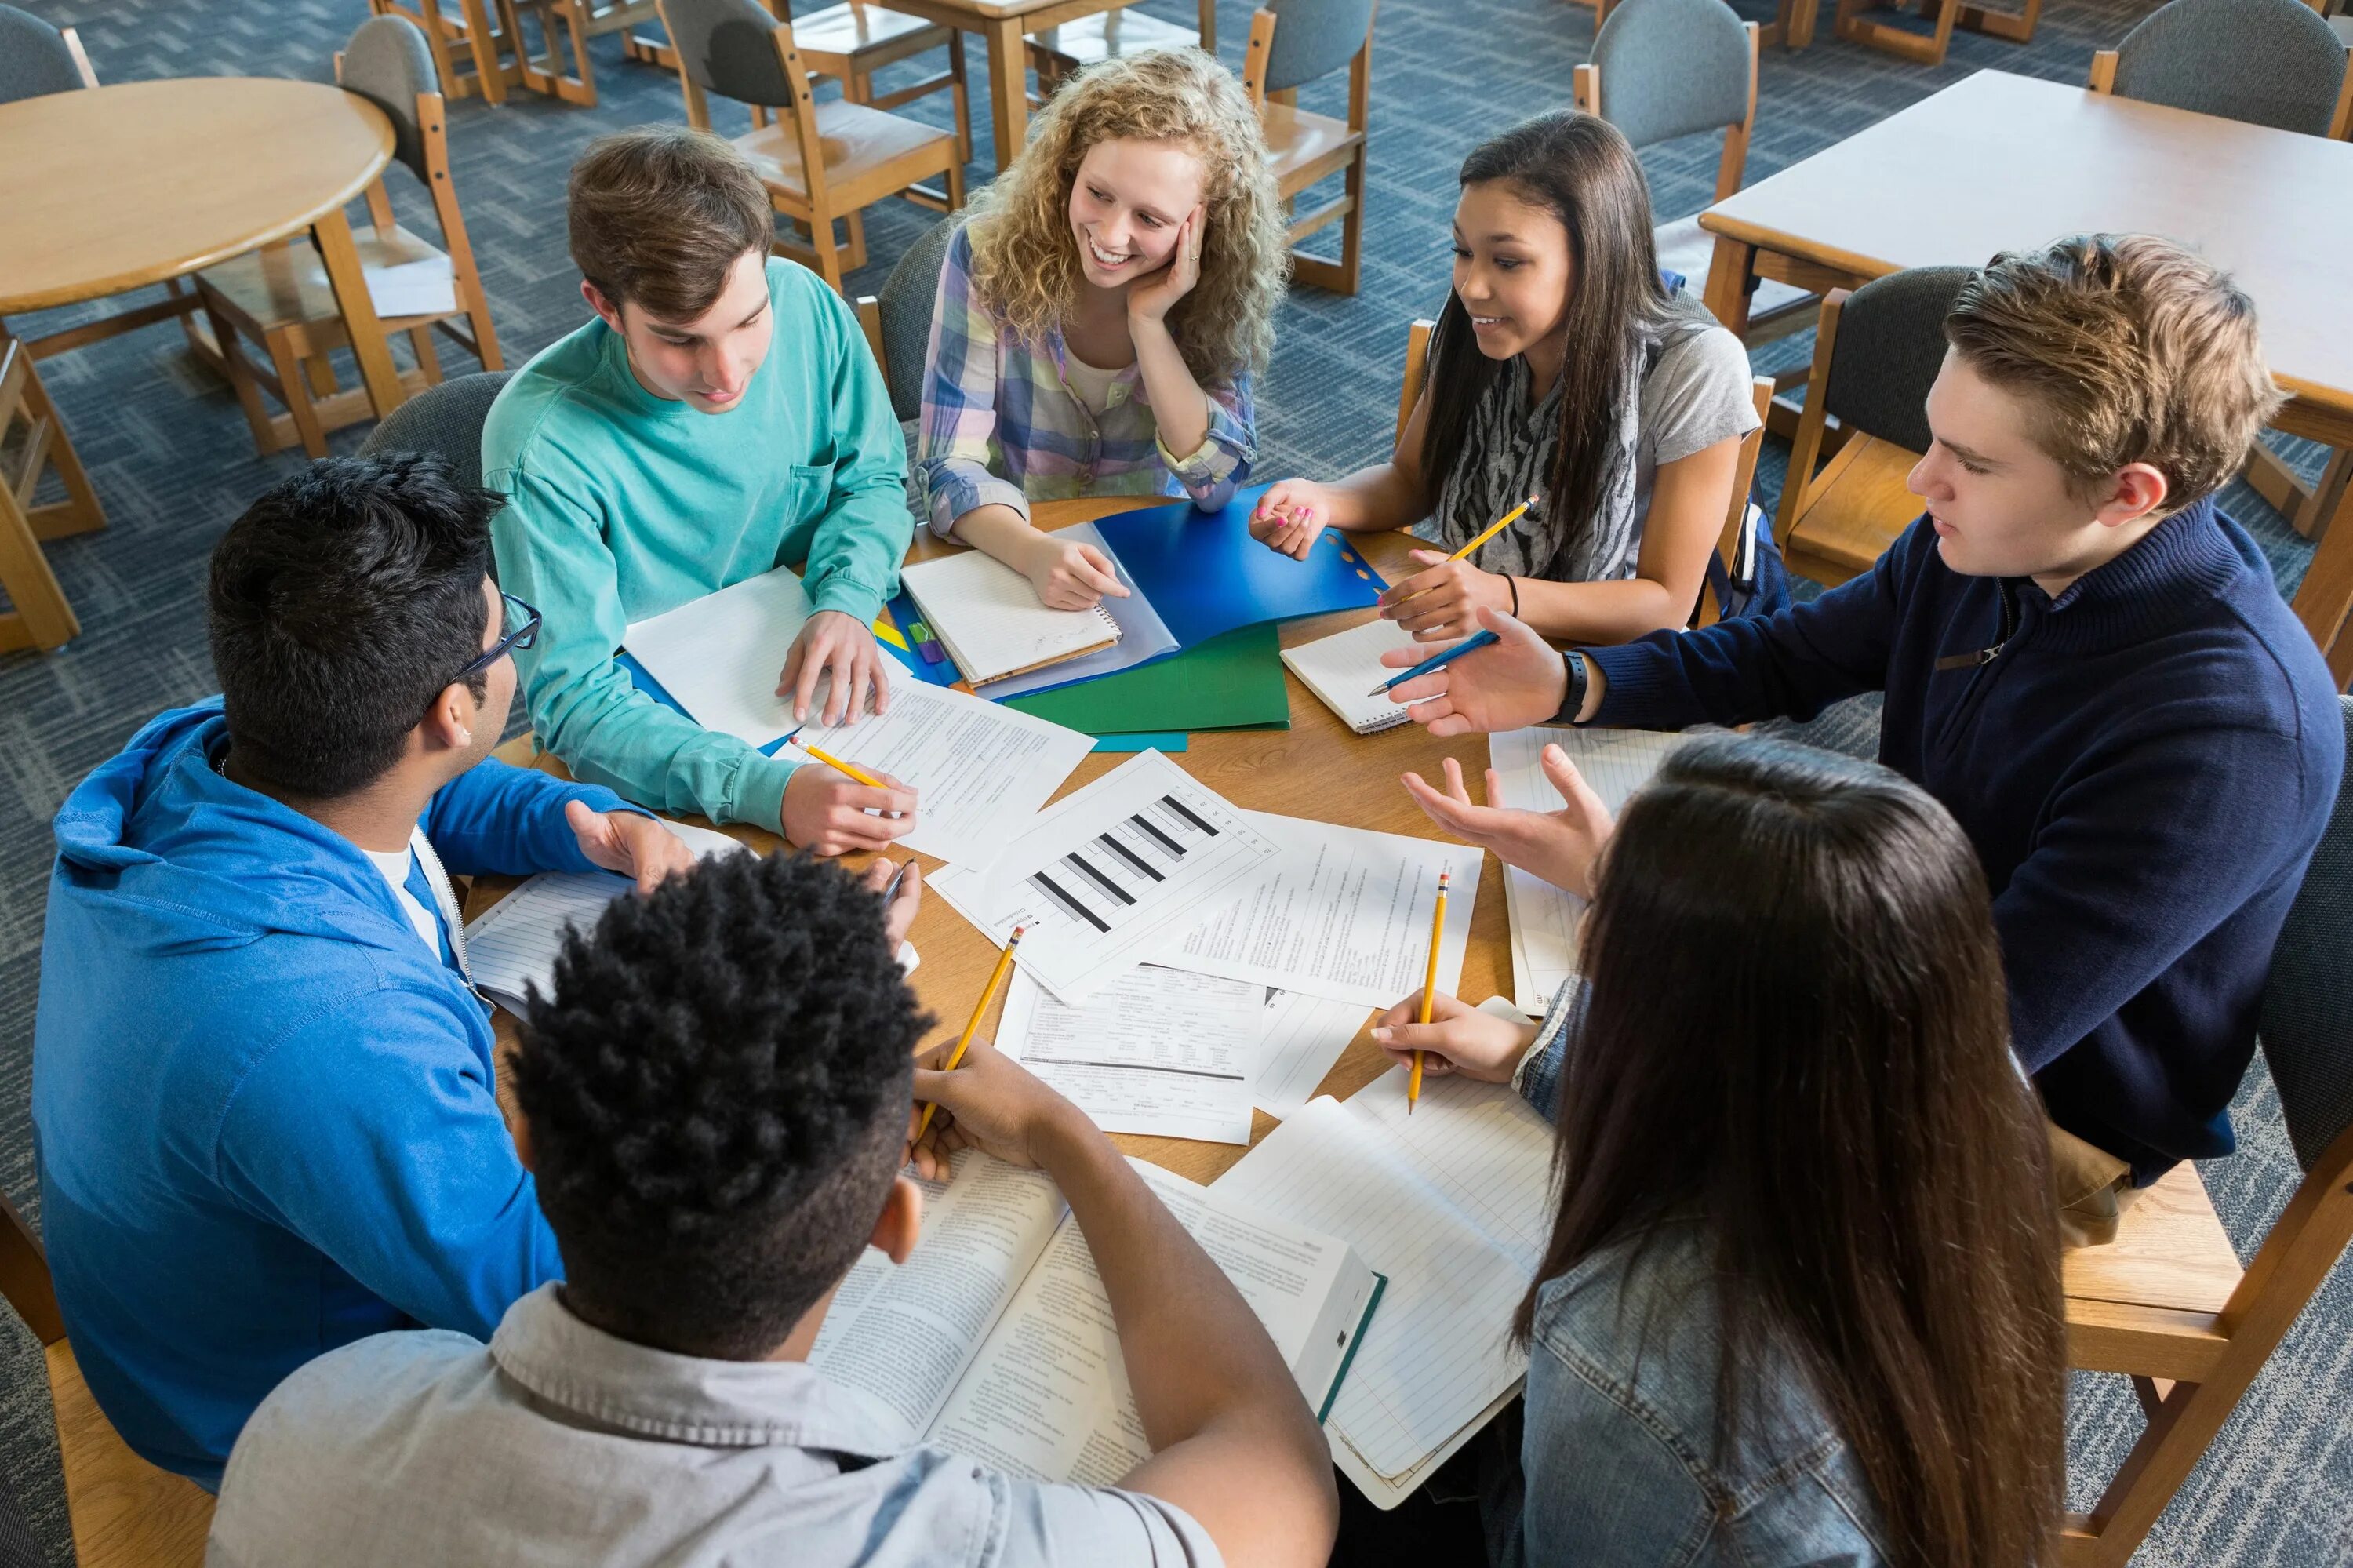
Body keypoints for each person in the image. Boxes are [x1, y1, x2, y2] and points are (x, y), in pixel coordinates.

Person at [1380, 234, 2346, 1246]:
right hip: (1898, 944)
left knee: (1603, 1227)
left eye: (1972, 462)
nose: (1922, 479)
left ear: (2129, 492)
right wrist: (1574, 679)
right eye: (1935, 436)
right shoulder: (1996, 537)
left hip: (2033, 1103)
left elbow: (1936, 1048)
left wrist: (1573, 1032)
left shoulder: (2225, 735)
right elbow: (1788, 655)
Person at [209, 850, 1341, 1568]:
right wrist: (1065, 1136)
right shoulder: (962, 1540)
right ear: (894, 1225)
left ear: (523, 1139)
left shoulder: (312, 1418)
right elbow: (1277, 1472)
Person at [32, 457, 704, 1488]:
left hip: (222, 1282)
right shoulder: (323, 1026)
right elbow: (552, 1298)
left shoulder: (213, 756)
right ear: (450, 711)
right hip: (273, 1413)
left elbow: (427, 801)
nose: (518, 643)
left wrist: (601, 827)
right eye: (511, 631)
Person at [1360, 737, 2066, 1568]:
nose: (1585, 936)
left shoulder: (1636, 1368)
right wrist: (1536, 1046)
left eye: (1603, 939)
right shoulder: (1962, 1087)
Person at [485, 125, 920, 854]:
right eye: (682, 339)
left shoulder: (807, 304)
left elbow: (873, 478)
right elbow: (574, 698)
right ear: (604, 306)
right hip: (660, 748)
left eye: (748, 321)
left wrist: (846, 599)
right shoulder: (539, 447)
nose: (727, 372)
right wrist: (762, 792)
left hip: (828, 670)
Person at [1249, 111, 1766, 644]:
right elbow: (1411, 480)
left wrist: (1501, 595)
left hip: (1599, 661)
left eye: (1509, 261)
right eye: (1463, 251)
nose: (1472, 286)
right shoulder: (1481, 327)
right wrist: (1323, 499)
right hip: (1469, 621)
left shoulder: (1693, 366)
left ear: (1596, 259)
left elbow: (1664, 601)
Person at [918, 47, 1287, 609]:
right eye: (1098, 194)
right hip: (1006, 555)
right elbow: (947, 466)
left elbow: (1218, 485)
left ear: (1204, 225)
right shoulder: (988, 255)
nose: (1112, 236)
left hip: (1140, 562)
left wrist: (1150, 323)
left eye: (1150, 218)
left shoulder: (1215, 293)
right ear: (1069, 168)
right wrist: (1035, 552)